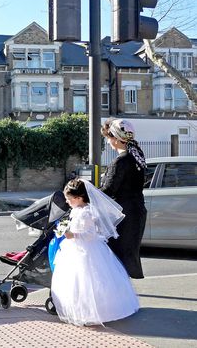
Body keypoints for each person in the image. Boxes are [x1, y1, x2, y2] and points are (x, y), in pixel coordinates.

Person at [51, 179, 139, 327]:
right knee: (76, 282)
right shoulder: (77, 209)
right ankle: (82, 308)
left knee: (90, 281)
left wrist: (71, 234)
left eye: (69, 199)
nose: (67, 202)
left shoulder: (86, 212)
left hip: (87, 250)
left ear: (79, 198)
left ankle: (96, 311)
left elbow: (90, 234)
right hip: (75, 248)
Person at [100, 118, 147, 279]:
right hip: (137, 211)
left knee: (115, 257)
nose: (108, 142)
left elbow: (108, 189)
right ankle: (125, 295)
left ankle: (119, 297)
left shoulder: (121, 161)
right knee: (127, 256)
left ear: (116, 138)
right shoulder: (137, 156)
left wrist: (87, 194)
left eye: (108, 137)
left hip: (122, 215)